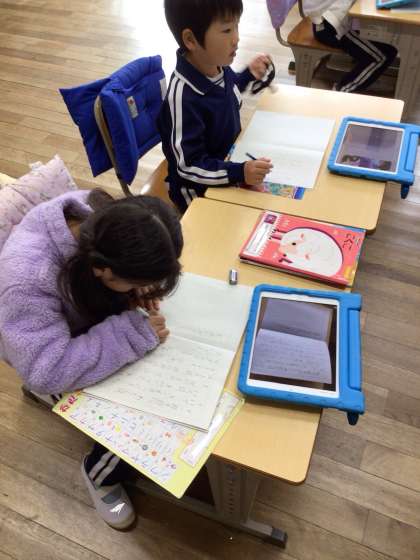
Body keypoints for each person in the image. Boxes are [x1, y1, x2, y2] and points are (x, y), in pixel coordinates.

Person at [0, 188, 183, 530]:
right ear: (102, 270)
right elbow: (45, 370)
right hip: (47, 356)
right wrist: (130, 334)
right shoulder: (27, 278)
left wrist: (136, 289)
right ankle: (100, 474)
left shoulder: (106, 218)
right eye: (137, 280)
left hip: (76, 325)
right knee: (145, 411)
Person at [157, 0, 273, 213]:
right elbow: (189, 166)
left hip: (228, 166)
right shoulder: (183, 98)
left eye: (237, 26)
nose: (236, 38)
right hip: (198, 193)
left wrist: (248, 74)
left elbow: (224, 93)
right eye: (227, 30)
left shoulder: (216, 66)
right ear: (191, 40)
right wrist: (239, 173)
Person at [302, 0, 397, 93]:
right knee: (382, 56)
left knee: (390, 45)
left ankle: (366, 76)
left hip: (338, 18)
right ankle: (341, 91)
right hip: (330, 26)